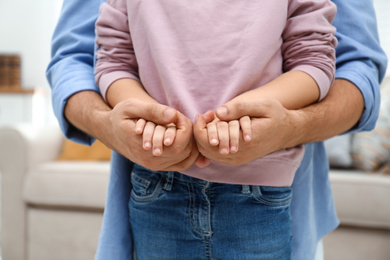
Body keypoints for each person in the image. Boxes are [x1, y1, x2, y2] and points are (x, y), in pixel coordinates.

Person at [46, 0, 387, 259]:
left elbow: (334, 60)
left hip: (263, 189)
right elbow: (97, 57)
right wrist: (142, 118)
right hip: (156, 184)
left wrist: (266, 120)